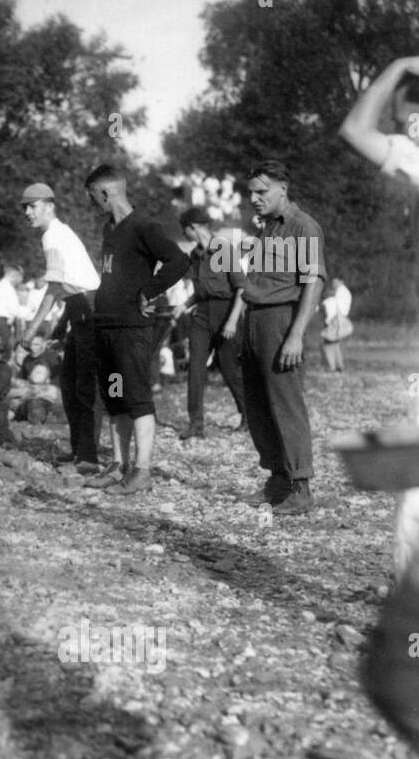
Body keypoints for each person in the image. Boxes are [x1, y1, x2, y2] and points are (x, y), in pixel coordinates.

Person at [340, 53, 419, 565]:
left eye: (405, 121)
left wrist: (392, 68)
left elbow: (355, 130)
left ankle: (413, 606)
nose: (401, 133)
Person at [219, 160, 327, 514]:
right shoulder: (266, 229)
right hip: (255, 320)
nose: (254, 198)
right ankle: (277, 479)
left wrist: (295, 335)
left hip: (282, 320)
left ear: (283, 187)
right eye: (251, 191)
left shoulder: (302, 226)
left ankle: (301, 486)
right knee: (258, 405)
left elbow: (313, 282)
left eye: (262, 191)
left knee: (285, 403)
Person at [80, 164, 190, 495]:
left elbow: (178, 261)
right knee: (114, 399)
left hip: (132, 328)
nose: (93, 204)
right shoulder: (108, 229)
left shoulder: (143, 225)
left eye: (93, 197)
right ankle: (118, 465)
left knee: (137, 398)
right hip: (107, 325)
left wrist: (148, 292)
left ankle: (142, 472)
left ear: (105, 192)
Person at [23, 182, 103, 470]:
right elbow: (68, 289)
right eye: (25, 208)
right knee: (69, 385)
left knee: (84, 388)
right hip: (79, 309)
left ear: (50, 206)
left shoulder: (53, 235)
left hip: (90, 310)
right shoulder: (56, 234)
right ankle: (79, 451)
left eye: (33, 206)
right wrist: (59, 329)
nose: (28, 213)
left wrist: (32, 329)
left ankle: (89, 459)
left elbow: (55, 286)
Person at [176, 207, 248, 438]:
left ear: (193, 227)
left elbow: (241, 287)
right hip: (203, 315)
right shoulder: (195, 255)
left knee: (229, 370)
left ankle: (248, 415)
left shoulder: (222, 248)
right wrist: (183, 305)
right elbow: (200, 292)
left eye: (185, 230)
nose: (184, 235)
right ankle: (196, 424)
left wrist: (232, 321)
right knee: (195, 368)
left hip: (226, 311)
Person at [318, 275, 353, 373]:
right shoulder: (341, 292)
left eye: (335, 282)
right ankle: (338, 365)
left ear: (340, 281)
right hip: (337, 320)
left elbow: (338, 310)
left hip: (334, 321)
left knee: (327, 343)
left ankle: (331, 366)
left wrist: (331, 322)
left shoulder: (340, 293)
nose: (333, 284)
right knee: (334, 344)